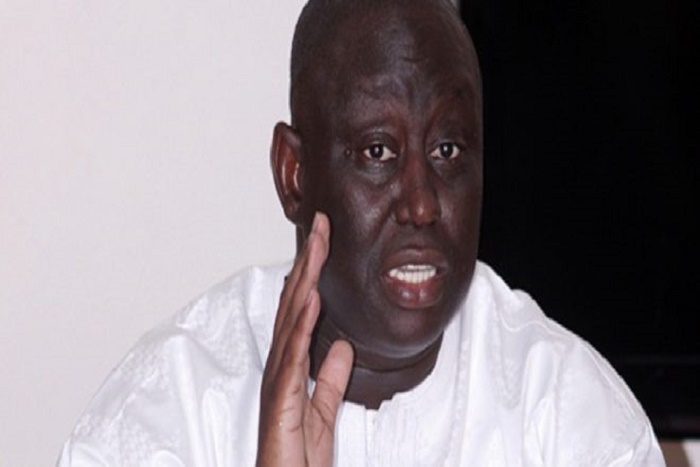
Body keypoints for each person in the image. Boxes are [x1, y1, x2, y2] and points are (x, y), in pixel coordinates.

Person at [58, 0, 664, 465]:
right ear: (295, 174)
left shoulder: (571, 419)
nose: (422, 205)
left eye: (448, 150)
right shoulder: (170, 411)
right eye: (378, 152)